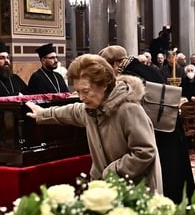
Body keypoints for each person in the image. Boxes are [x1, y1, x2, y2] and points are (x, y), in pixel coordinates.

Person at [25, 54, 162, 193]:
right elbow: (71, 112)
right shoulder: (91, 109)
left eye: (85, 91)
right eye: (78, 91)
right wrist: (42, 113)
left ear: (104, 85)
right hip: (107, 190)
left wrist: (111, 172)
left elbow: (144, 151)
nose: (81, 98)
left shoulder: (128, 109)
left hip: (136, 192)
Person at [99, 45, 195, 204]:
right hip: (168, 124)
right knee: (175, 168)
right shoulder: (148, 69)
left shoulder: (128, 76)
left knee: (165, 173)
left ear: (116, 63)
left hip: (155, 129)